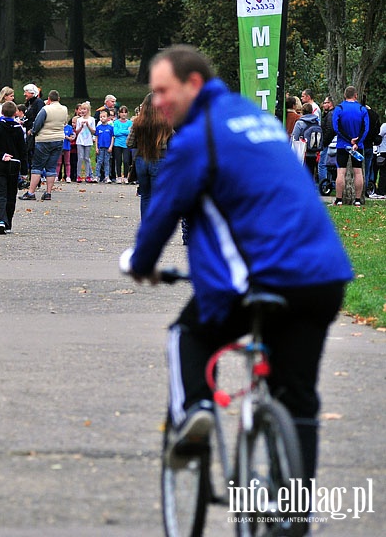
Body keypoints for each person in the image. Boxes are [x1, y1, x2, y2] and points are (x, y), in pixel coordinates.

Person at [123, 46, 353, 519]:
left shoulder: (196, 137)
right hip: (324, 276)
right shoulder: (258, 120)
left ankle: (196, 413)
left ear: (193, 84)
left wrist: (142, 263)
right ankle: (294, 515)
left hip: (260, 276)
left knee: (185, 335)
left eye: (164, 90)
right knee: (299, 400)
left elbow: (163, 212)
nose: (158, 101)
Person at [0, 101, 28, 234]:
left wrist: (0, 154)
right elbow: (23, 150)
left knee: (0, 193)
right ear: (15, 113)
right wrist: (25, 171)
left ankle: (1, 221)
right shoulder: (19, 129)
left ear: (2, 112)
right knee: (11, 194)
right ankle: (8, 222)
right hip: (14, 164)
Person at [19, 90, 67, 201]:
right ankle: (48, 192)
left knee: (37, 166)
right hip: (58, 139)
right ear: (58, 99)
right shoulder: (64, 109)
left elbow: (38, 123)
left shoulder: (45, 109)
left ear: (49, 99)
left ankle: (31, 192)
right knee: (51, 167)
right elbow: (64, 122)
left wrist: (32, 131)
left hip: (44, 139)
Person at [131, 93, 173, 217]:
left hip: (141, 159)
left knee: (145, 195)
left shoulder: (137, 123)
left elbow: (129, 143)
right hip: (159, 159)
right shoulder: (165, 123)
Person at [331, 85, 369, 206]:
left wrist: (348, 139)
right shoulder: (362, 109)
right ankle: (357, 200)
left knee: (340, 172)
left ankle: (339, 199)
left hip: (343, 145)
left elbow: (336, 127)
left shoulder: (339, 108)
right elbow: (365, 128)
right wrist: (357, 141)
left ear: (344, 95)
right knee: (358, 172)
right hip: (358, 145)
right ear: (356, 95)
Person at [73, 101, 96, 183]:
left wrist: (88, 125)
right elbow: (76, 131)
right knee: (80, 158)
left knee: (86, 158)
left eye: (84, 109)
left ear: (88, 110)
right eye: (82, 109)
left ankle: (87, 175)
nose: (83, 111)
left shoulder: (92, 119)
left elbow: (93, 131)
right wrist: (81, 126)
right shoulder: (79, 120)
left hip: (88, 141)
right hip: (80, 141)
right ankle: (78, 175)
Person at [112, 105, 133, 183]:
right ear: (119, 113)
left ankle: (126, 176)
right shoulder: (116, 122)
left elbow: (130, 132)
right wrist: (125, 131)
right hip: (117, 144)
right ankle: (119, 176)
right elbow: (116, 133)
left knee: (126, 160)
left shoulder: (130, 122)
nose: (123, 114)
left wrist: (122, 131)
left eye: (125, 112)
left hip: (126, 144)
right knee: (118, 160)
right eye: (122, 112)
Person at [319, 95, 337, 185]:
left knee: (322, 164)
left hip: (328, 143)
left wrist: (324, 142)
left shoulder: (330, 114)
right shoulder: (331, 114)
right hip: (331, 142)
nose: (323, 105)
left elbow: (330, 129)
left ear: (330, 104)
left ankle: (324, 185)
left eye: (325, 102)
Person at [94, 109, 114, 183]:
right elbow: (96, 137)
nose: (102, 118)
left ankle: (107, 176)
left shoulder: (110, 128)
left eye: (104, 116)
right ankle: (97, 176)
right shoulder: (98, 128)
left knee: (107, 162)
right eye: (101, 117)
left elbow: (112, 137)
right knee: (99, 161)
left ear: (108, 118)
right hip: (100, 147)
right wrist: (96, 147)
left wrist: (111, 147)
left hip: (107, 147)